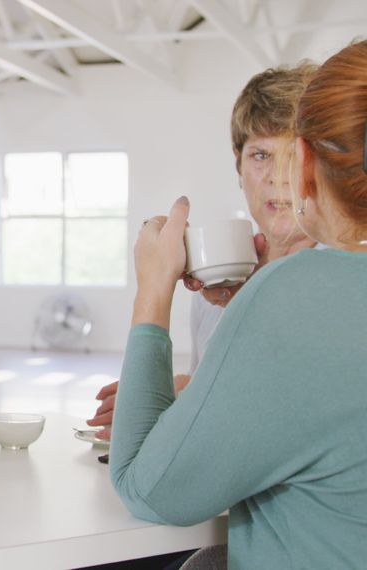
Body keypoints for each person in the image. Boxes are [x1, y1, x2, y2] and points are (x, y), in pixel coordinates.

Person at [111, 39, 367, 567]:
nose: (277, 177)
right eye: (259, 155)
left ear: (306, 160)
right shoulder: (293, 290)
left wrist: (153, 286)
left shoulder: (297, 290)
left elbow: (148, 488)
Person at [86, 62, 318, 440]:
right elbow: (226, 399)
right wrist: (175, 391)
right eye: (261, 155)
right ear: (238, 166)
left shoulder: (346, 277)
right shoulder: (216, 283)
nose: (279, 176)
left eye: (295, 154)